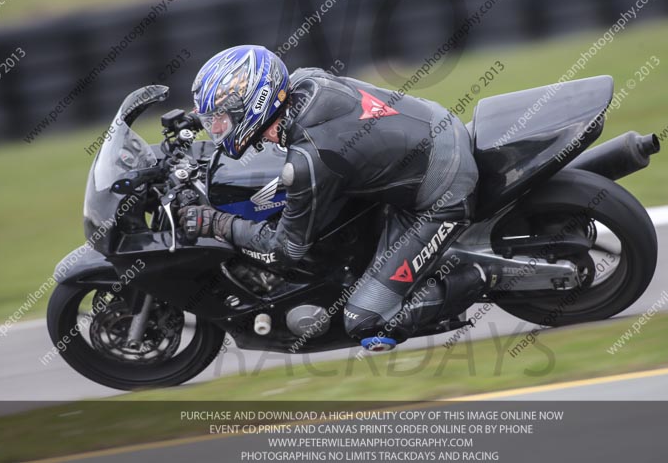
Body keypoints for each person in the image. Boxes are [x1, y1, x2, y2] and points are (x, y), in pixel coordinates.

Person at [180, 45, 480, 351]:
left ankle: (483, 277)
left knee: (365, 321)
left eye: (221, 118)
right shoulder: (304, 81)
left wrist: (218, 223)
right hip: (436, 124)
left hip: (443, 187)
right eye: (212, 119)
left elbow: (285, 250)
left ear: (254, 104)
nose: (216, 127)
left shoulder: (309, 160)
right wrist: (197, 122)